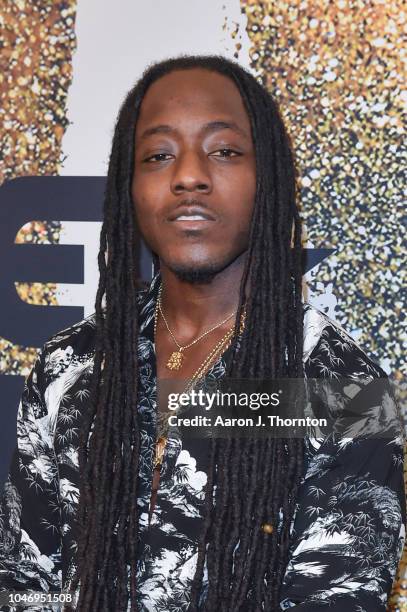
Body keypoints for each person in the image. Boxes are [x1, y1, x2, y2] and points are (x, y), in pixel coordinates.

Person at [0, 54, 405, 612]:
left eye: (224, 150)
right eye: (159, 155)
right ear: (129, 186)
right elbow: (23, 583)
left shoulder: (347, 392)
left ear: (269, 180)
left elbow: (337, 598)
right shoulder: (67, 367)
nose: (189, 175)